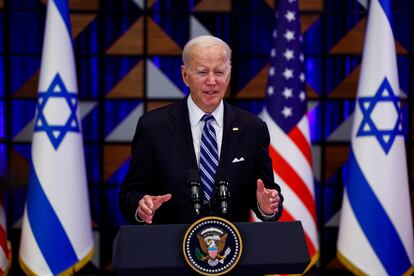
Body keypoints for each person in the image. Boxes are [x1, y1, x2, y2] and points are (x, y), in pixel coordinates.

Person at [119, 35, 283, 224]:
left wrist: (266, 206)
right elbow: (129, 194)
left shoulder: (253, 128)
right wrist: (142, 207)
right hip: (171, 247)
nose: (212, 81)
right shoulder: (153, 127)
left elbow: (267, 193)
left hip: (232, 248)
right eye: (202, 72)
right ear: (185, 75)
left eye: (219, 72)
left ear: (229, 76)